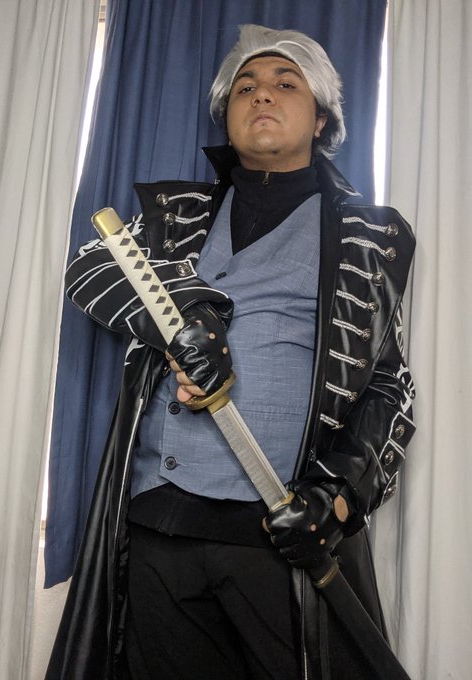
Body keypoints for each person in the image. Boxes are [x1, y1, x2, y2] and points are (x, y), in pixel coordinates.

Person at [46, 24, 416, 680]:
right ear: (227, 115)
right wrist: (185, 315)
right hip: (159, 522)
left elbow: (390, 390)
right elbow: (91, 266)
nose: (261, 94)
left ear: (321, 118)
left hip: (275, 530)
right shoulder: (175, 215)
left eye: (285, 83)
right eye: (245, 87)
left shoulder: (368, 238)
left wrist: (336, 499)